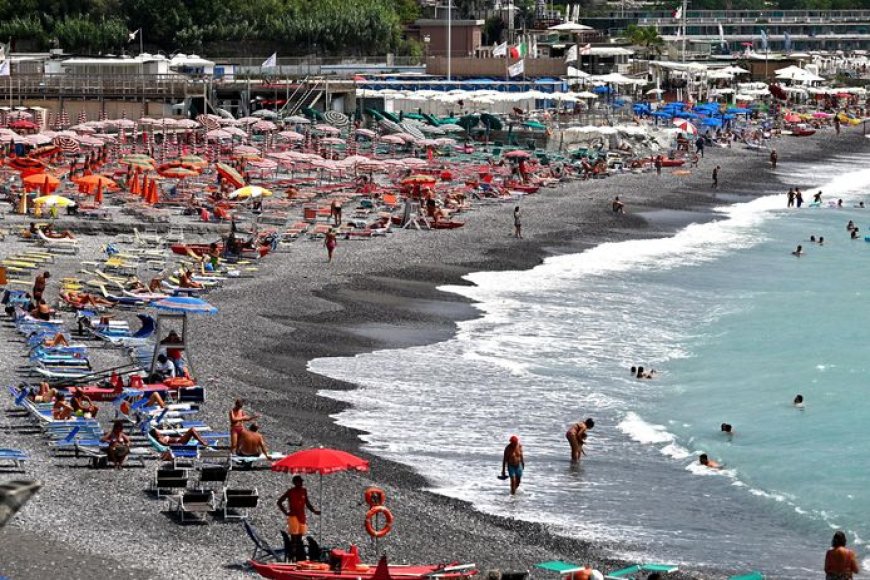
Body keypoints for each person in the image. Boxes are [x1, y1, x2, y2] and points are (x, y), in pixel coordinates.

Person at [278, 476, 321, 561]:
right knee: (294, 538)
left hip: (302, 516)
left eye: (301, 481)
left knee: (299, 538)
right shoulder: (290, 491)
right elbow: (279, 502)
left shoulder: (304, 491)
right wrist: (285, 512)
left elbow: (307, 503)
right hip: (293, 516)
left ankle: (299, 556)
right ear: (295, 482)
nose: (301, 483)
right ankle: (293, 557)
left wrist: (314, 511)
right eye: (299, 481)